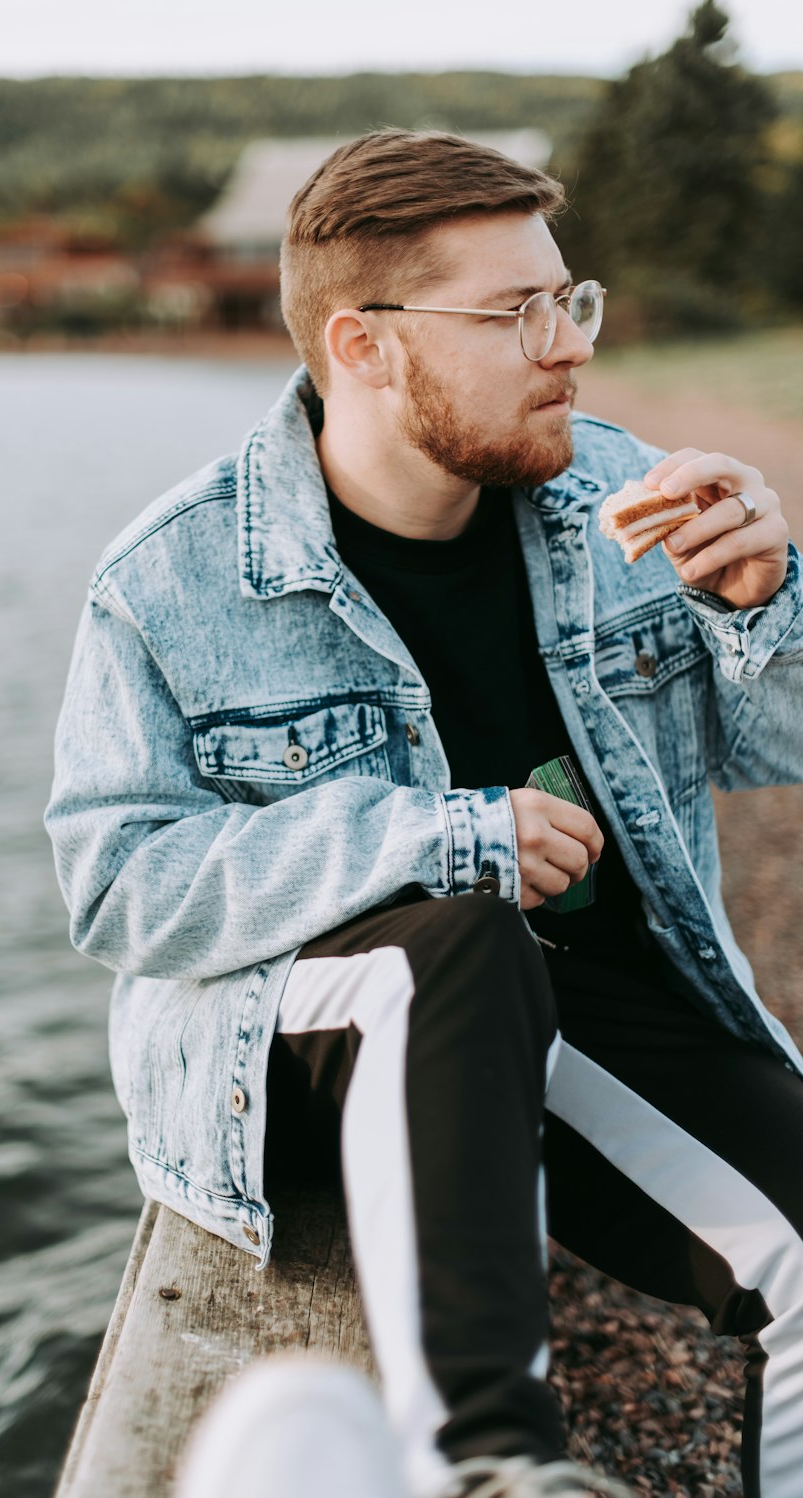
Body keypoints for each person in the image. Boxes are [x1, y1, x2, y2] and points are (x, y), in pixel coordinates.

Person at [45, 130, 803, 1498]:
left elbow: (777, 752)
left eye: (571, 301)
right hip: (302, 1040)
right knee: (457, 939)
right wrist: (443, 836)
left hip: (579, 1011)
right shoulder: (177, 579)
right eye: (519, 313)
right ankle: (490, 1463)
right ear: (366, 346)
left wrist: (765, 605)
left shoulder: (608, 495)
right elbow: (119, 886)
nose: (568, 344)